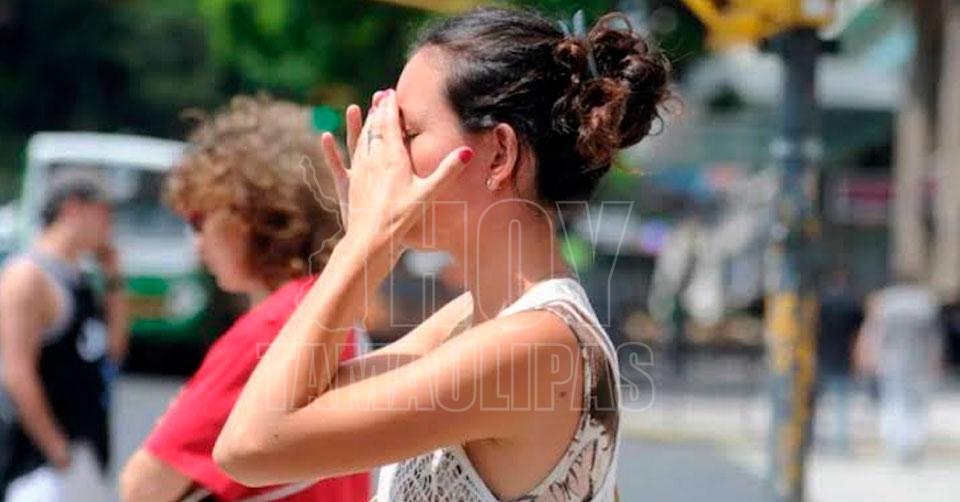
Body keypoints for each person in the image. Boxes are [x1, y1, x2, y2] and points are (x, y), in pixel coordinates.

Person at [213, 8, 671, 501]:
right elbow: (301, 403)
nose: (385, 156)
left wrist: (363, 243)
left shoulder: (535, 345)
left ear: (499, 154)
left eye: (407, 134)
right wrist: (365, 240)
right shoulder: (473, 321)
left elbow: (249, 447)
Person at [119, 96, 370, 501]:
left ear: (247, 214)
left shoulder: (272, 328)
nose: (197, 243)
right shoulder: (333, 309)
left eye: (199, 220)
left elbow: (142, 488)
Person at [0, 173, 129, 501]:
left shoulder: (80, 277)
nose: (110, 225)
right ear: (72, 209)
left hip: (84, 447)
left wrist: (114, 279)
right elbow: (16, 372)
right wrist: (57, 449)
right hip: (37, 462)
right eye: (104, 213)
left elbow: (113, 349)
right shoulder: (27, 277)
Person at [857, 274, 943, 463]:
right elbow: (933, 338)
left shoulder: (887, 302)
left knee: (893, 401)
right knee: (915, 404)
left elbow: (876, 334)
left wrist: (871, 358)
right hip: (918, 361)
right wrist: (935, 360)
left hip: (891, 360)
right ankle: (912, 444)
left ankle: (895, 444)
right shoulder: (924, 303)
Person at [814, 268, 863, 452]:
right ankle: (840, 442)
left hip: (823, 357)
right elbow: (858, 334)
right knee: (841, 403)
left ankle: (818, 439)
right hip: (843, 357)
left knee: (818, 403)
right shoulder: (851, 305)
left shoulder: (821, 304)